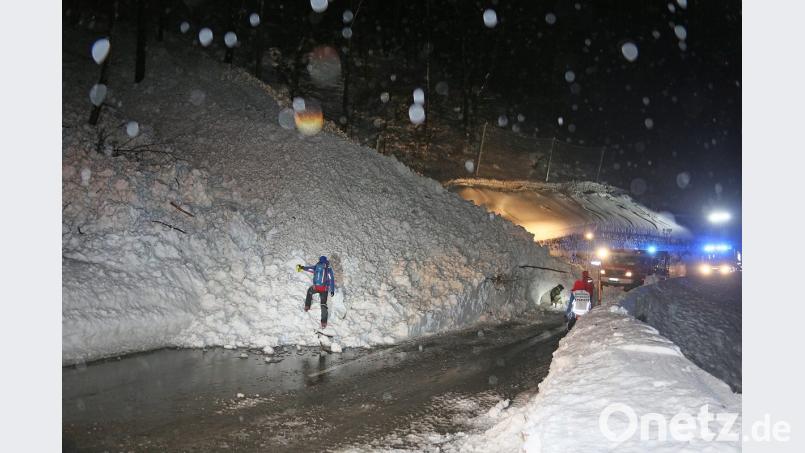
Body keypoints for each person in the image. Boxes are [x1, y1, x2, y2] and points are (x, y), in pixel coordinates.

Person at [297, 256, 336, 329]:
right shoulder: (328, 269)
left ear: (319, 261)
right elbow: (331, 280)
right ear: (326, 261)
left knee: (309, 291)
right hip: (324, 289)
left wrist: (302, 267)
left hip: (316, 288)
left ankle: (307, 306)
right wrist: (332, 290)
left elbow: (309, 269)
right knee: (323, 304)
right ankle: (323, 322)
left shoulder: (316, 267)